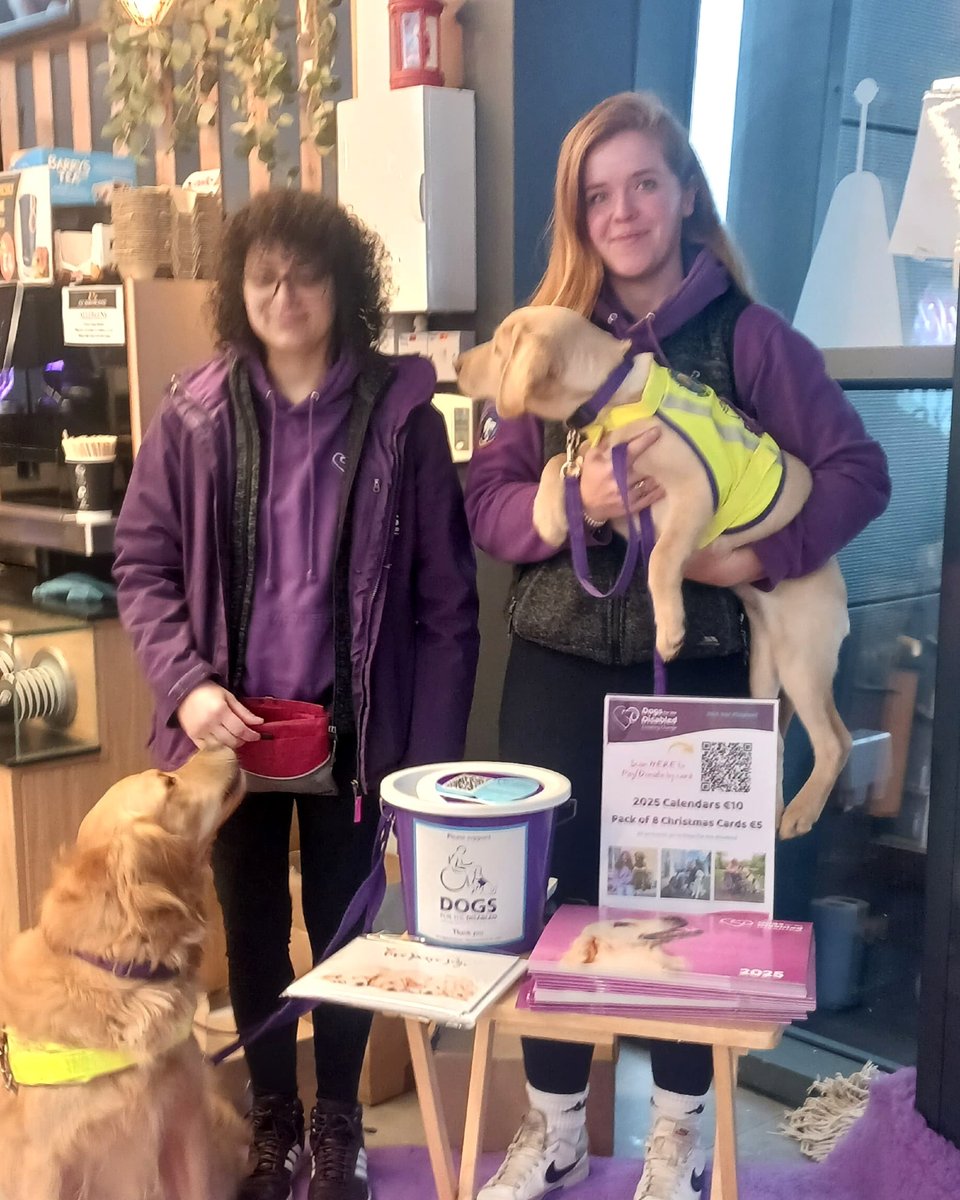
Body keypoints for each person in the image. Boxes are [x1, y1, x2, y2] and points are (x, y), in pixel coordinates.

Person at [464, 91, 890, 1200]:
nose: (623, 210)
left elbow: (859, 472)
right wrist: (568, 503)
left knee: (696, 924)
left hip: (698, 679)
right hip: (556, 671)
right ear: (577, 215)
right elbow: (490, 506)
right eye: (597, 194)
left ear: (685, 192)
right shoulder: (544, 335)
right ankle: (554, 1130)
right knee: (552, 914)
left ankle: (678, 1142)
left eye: (643, 183)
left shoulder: (749, 338)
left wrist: (758, 559)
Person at [114, 190, 480, 1200]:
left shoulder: (403, 419)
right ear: (238, 288)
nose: (284, 293)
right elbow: (140, 564)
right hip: (226, 743)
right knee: (251, 926)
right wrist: (186, 689)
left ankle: (338, 1124)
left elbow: (448, 607)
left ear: (344, 287)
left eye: (307, 273)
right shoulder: (190, 414)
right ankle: (273, 1117)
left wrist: (428, 771)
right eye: (264, 274)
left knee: (350, 934)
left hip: (361, 738)